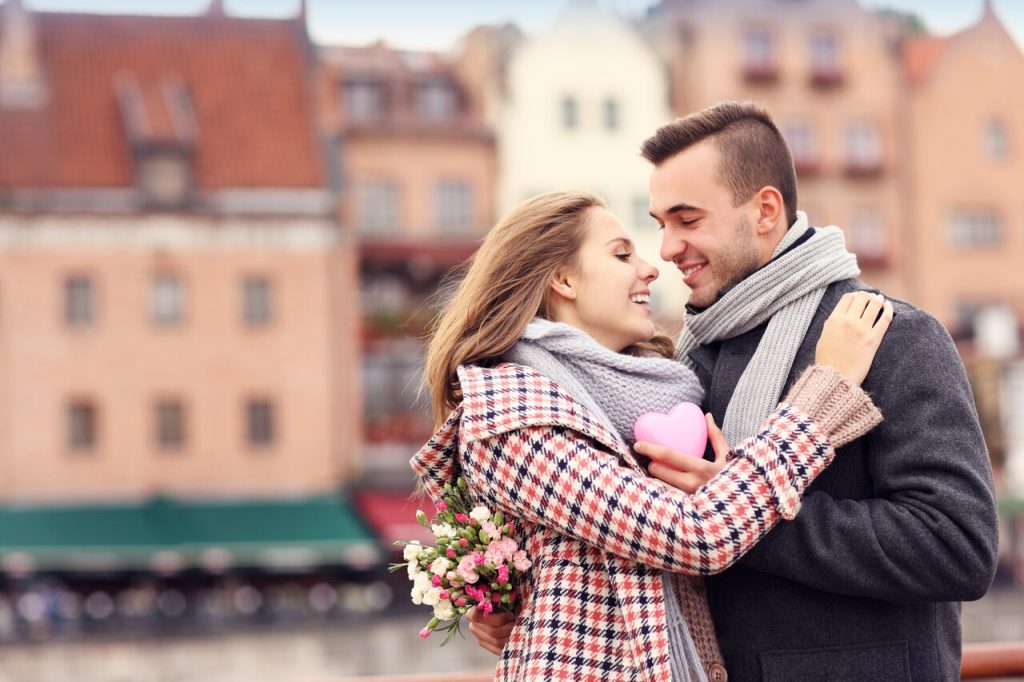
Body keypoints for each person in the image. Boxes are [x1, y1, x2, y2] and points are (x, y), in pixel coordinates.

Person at [468, 102, 1000, 681]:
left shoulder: (885, 336)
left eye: (687, 219)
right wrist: (520, 600)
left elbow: (957, 548)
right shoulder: (675, 364)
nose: (666, 249)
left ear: (765, 211)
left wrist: (744, 516)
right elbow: (636, 538)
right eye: (658, 225)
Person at [412, 189, 893, 681]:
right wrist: (822, 394)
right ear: (563, 279)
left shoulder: (653, 386)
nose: (650, 268)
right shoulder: (514, 419)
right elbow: (697, 534)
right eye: (622, 254)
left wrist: (504, 595)